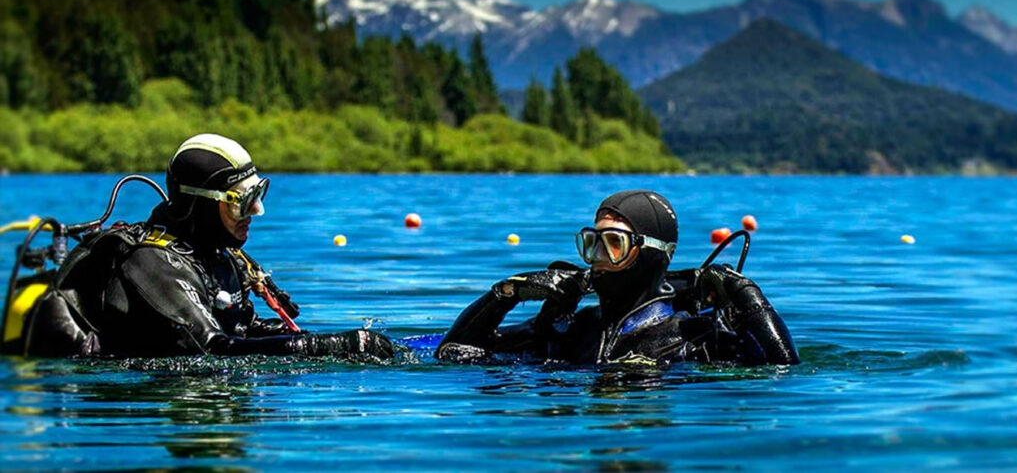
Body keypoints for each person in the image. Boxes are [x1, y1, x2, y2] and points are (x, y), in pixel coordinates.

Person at [22, 133, 394, 360]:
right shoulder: (153, 263)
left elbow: (242, 330)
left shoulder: (219, 255)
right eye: (240, 202)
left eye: (257, 196)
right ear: (197, 202)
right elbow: (212, 347)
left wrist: (338, 340)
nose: (256, 212)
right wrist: (327, 348)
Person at [435, 190, 799, 366]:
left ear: (653, 253)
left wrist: (750, 298)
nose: (598, 259)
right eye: (591, 244)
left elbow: (782, 370)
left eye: (613, 244)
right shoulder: (573, 328)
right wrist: (507, 293)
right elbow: (452, 354)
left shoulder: (694, 337)